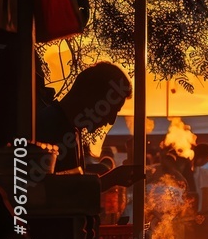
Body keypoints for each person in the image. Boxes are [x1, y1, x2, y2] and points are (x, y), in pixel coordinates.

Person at [35, 62, 142, 190]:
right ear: (93, 96)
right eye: (111, 109)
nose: (111, 120)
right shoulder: (50, 126)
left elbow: (70, 190)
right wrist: (110, 179)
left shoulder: (68, 128)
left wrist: (111, 180)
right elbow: (46, 193)